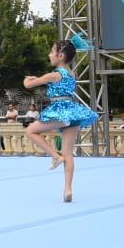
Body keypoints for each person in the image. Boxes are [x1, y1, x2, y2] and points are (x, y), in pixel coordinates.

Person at [23, 35, 99, 204]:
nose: (49, 55)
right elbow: (46, 80)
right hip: (73, 113)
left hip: (60, 111)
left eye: (52, 52)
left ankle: (54, 156)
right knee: (68, 153)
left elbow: (28, 86)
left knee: (30, 130)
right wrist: (39, 78)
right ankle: (67, 190)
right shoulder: (71, 74)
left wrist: (27, 79)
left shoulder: (55, 74)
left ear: (61, 56)